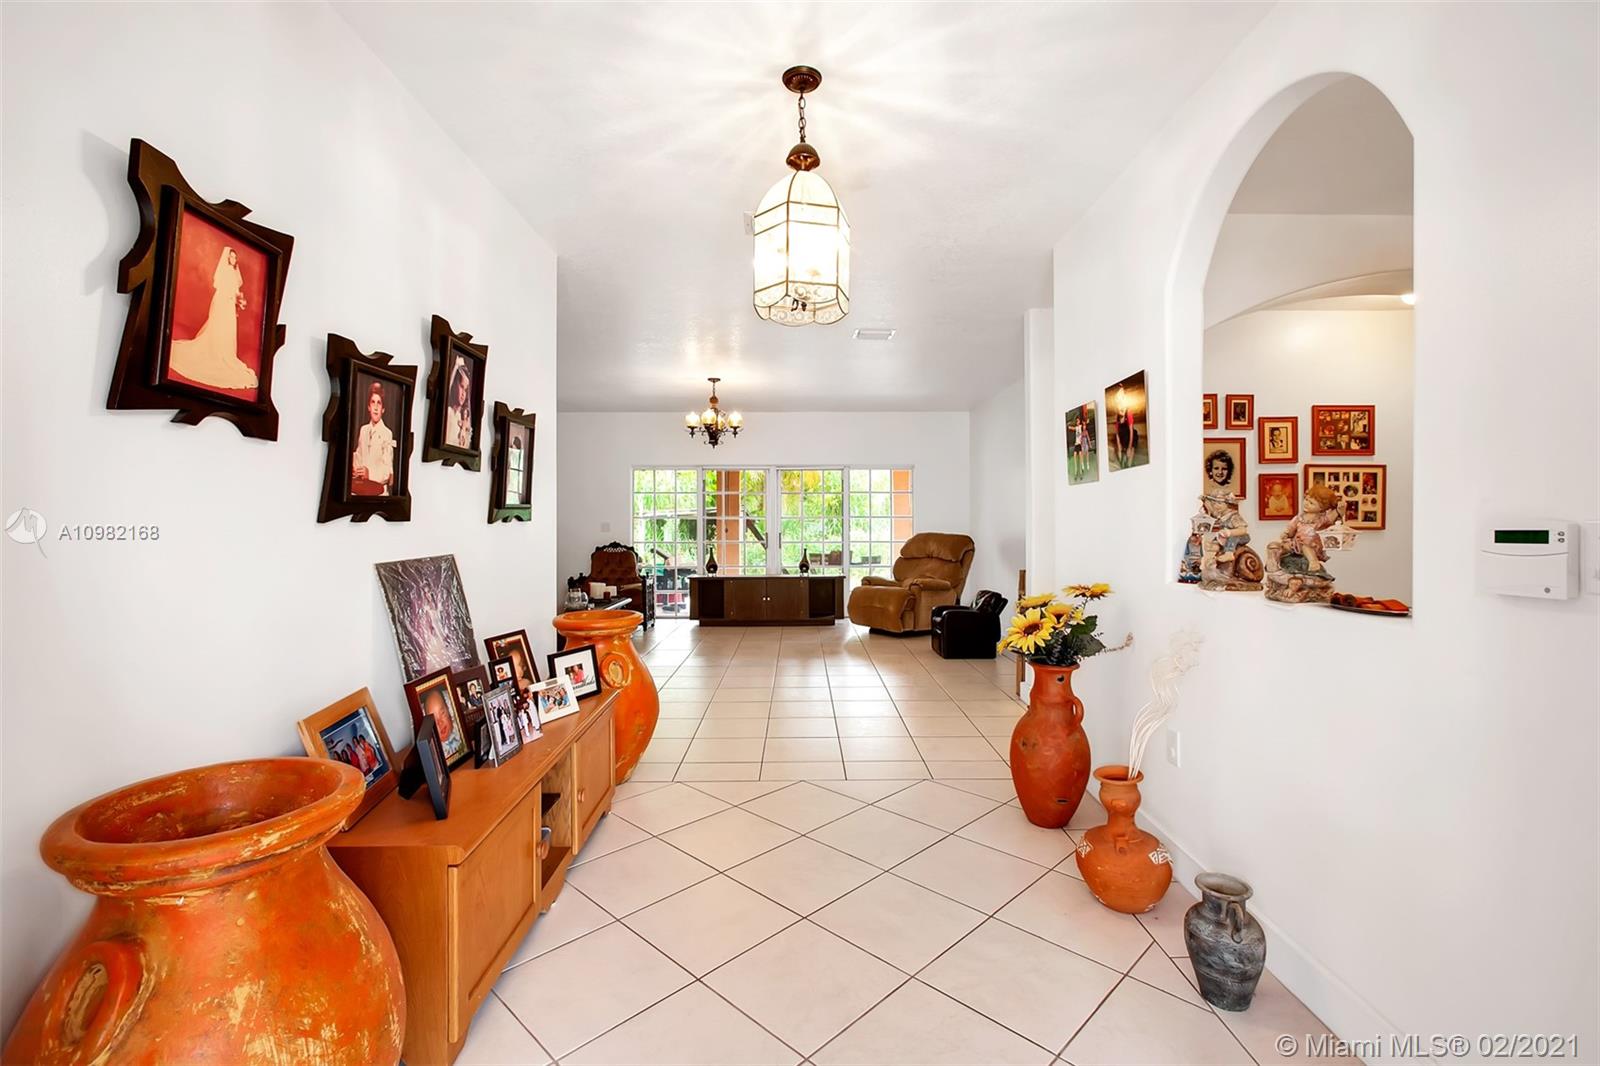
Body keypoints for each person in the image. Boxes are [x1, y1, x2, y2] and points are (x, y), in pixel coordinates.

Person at [169, 246, 257, 390]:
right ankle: (217, 350)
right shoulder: (225, 271)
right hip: (223, 302)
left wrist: (238, 300)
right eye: (231, 257)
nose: (233, 259)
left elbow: (236, 291)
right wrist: (231, 298)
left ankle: (225, 351)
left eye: (235, 257)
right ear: (227, 258)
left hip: (230, 304)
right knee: (219, 327)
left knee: (227, 330)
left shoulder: (235, 273)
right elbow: (222, 289)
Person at [351, 381, 395, 496]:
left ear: (383, 409)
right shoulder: (363, 430)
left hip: (379, 493)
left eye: (379, 403)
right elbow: (359, 455)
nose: (375, 407)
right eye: (373, 402)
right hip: (362, 489)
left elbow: (388, 472)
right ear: (368, 407)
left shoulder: (387, 433)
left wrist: (369, 473)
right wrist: (353, 466)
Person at [445, 360, 474, 449]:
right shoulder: (448, 412)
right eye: (461, 386)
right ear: (455, 385)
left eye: (465, 389)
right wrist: (456, 366)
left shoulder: (462, 418)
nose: (463, 394)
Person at [420, 687, 457, 754]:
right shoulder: (433, 751)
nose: (440, 723)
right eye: (433, 719)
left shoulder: (460, 729)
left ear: (448, 709)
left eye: (442, 713)